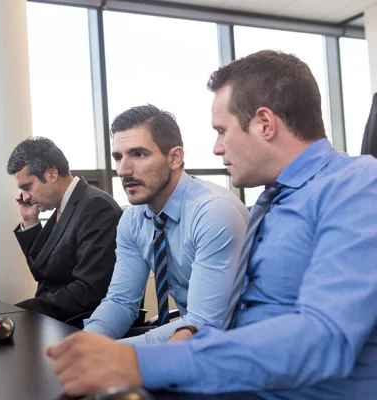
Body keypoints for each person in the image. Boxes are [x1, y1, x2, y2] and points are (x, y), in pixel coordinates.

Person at [46, 50, 377, 399]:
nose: (217, 148)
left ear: (264, 123)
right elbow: (236, 322)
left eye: (222, 131)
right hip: (241, 380)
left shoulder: (358, 186)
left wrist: (142, 361)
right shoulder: (273, 200)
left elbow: (325, 338)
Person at [82, 104, 249, 344]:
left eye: (138, 154)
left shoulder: (214, 212)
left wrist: (108, 354)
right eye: (118, 157)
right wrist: (87, 342)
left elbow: (204, 322)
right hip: (185, 343)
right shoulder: (132, 219)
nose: (123, 170)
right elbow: (121, 301)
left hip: (237, 346)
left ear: (175, 157)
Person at [7, 137, 122, 326]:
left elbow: (89, 291)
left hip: (77, 328)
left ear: (52, 174)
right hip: (55, 323)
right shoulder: (63, 206)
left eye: (27, 187)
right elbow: (44, 271)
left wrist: (24, 311)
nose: (25, 196)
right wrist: (30, 221)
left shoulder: (95, 206)